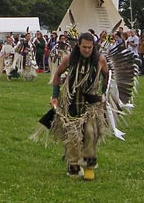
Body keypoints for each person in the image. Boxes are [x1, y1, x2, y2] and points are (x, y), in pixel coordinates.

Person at [49, 32, 109, 180]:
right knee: (73, 136)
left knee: (90, 132)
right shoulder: (69, 59)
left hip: (91, 104)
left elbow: (107, 75)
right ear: (78, 45)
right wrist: (55, 96)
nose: (87, 50)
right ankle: (74, 165)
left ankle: (89, 164)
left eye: (90, 47)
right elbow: (57, 76)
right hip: (72, 102)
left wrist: (104, 93)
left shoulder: (100, 60)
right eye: (84, 47)